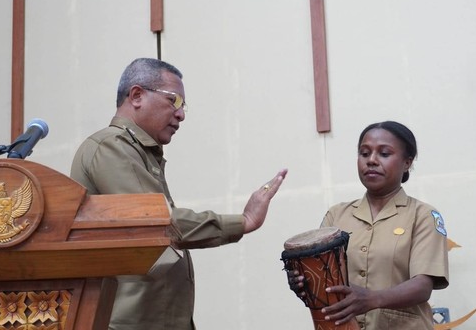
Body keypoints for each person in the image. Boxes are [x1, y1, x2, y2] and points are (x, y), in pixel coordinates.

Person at [70, 57, 287, 329]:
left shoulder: (140, 152)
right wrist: (243, 222)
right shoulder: (110, 146)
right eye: (173, 101)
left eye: (183, 106)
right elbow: (159, 223)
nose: (181, 114)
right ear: (137, 96)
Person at [287, 121, 448, 330]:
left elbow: (423, 286)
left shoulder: (423, 215)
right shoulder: (336, 215)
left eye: (384, 154)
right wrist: (304, 281)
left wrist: (372, 299)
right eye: (364, 153)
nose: (371, 160)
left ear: (407, 162)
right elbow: (324, 282)